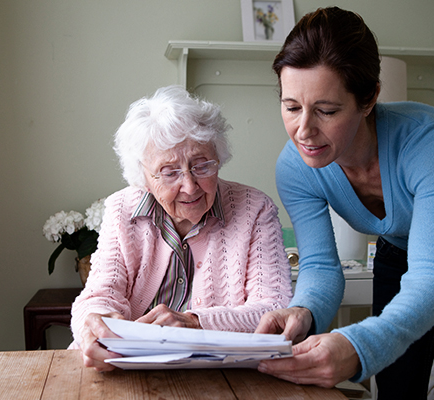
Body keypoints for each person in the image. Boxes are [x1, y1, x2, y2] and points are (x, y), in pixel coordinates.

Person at [254, 6, 434, 400]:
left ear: (370, 97)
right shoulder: (295, 168)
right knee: (394, 389)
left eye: (327, 110)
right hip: (400, 253)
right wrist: (302, 309)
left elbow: (433, 277)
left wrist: (358, 345)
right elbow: (321, 266)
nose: (303, 131)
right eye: (291, 107)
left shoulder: (433, 142)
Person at [69, 85, 293, 371]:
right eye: (169, 172)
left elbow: (274, 309)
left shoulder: (255, 209)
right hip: (127, 370)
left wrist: (194, 323)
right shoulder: (121, 209)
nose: (189, 186)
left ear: (219, 159)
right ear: (144, 177)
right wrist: (95, 323)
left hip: (220, 376)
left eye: (202, 166)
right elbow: (99, 294)